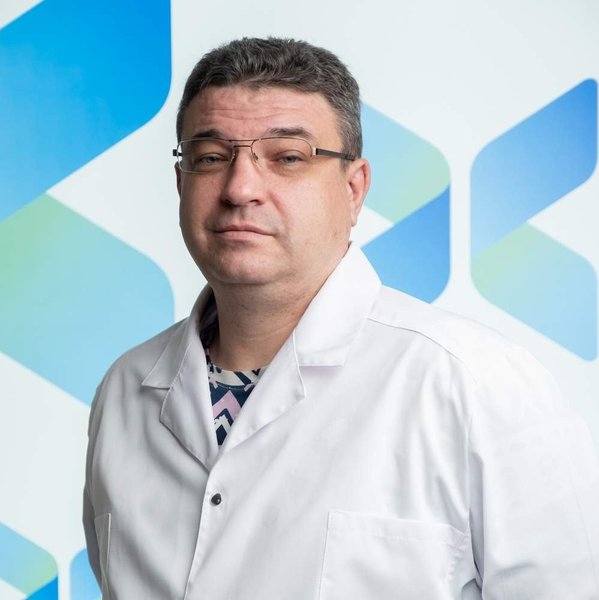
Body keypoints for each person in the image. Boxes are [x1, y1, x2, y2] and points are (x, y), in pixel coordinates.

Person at [83, 37, 599, 599]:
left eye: (287, 157)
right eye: (210, 157)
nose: (240, 189)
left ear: (354, 189)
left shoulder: (472, 381)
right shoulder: (125, 391)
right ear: (181, 182)